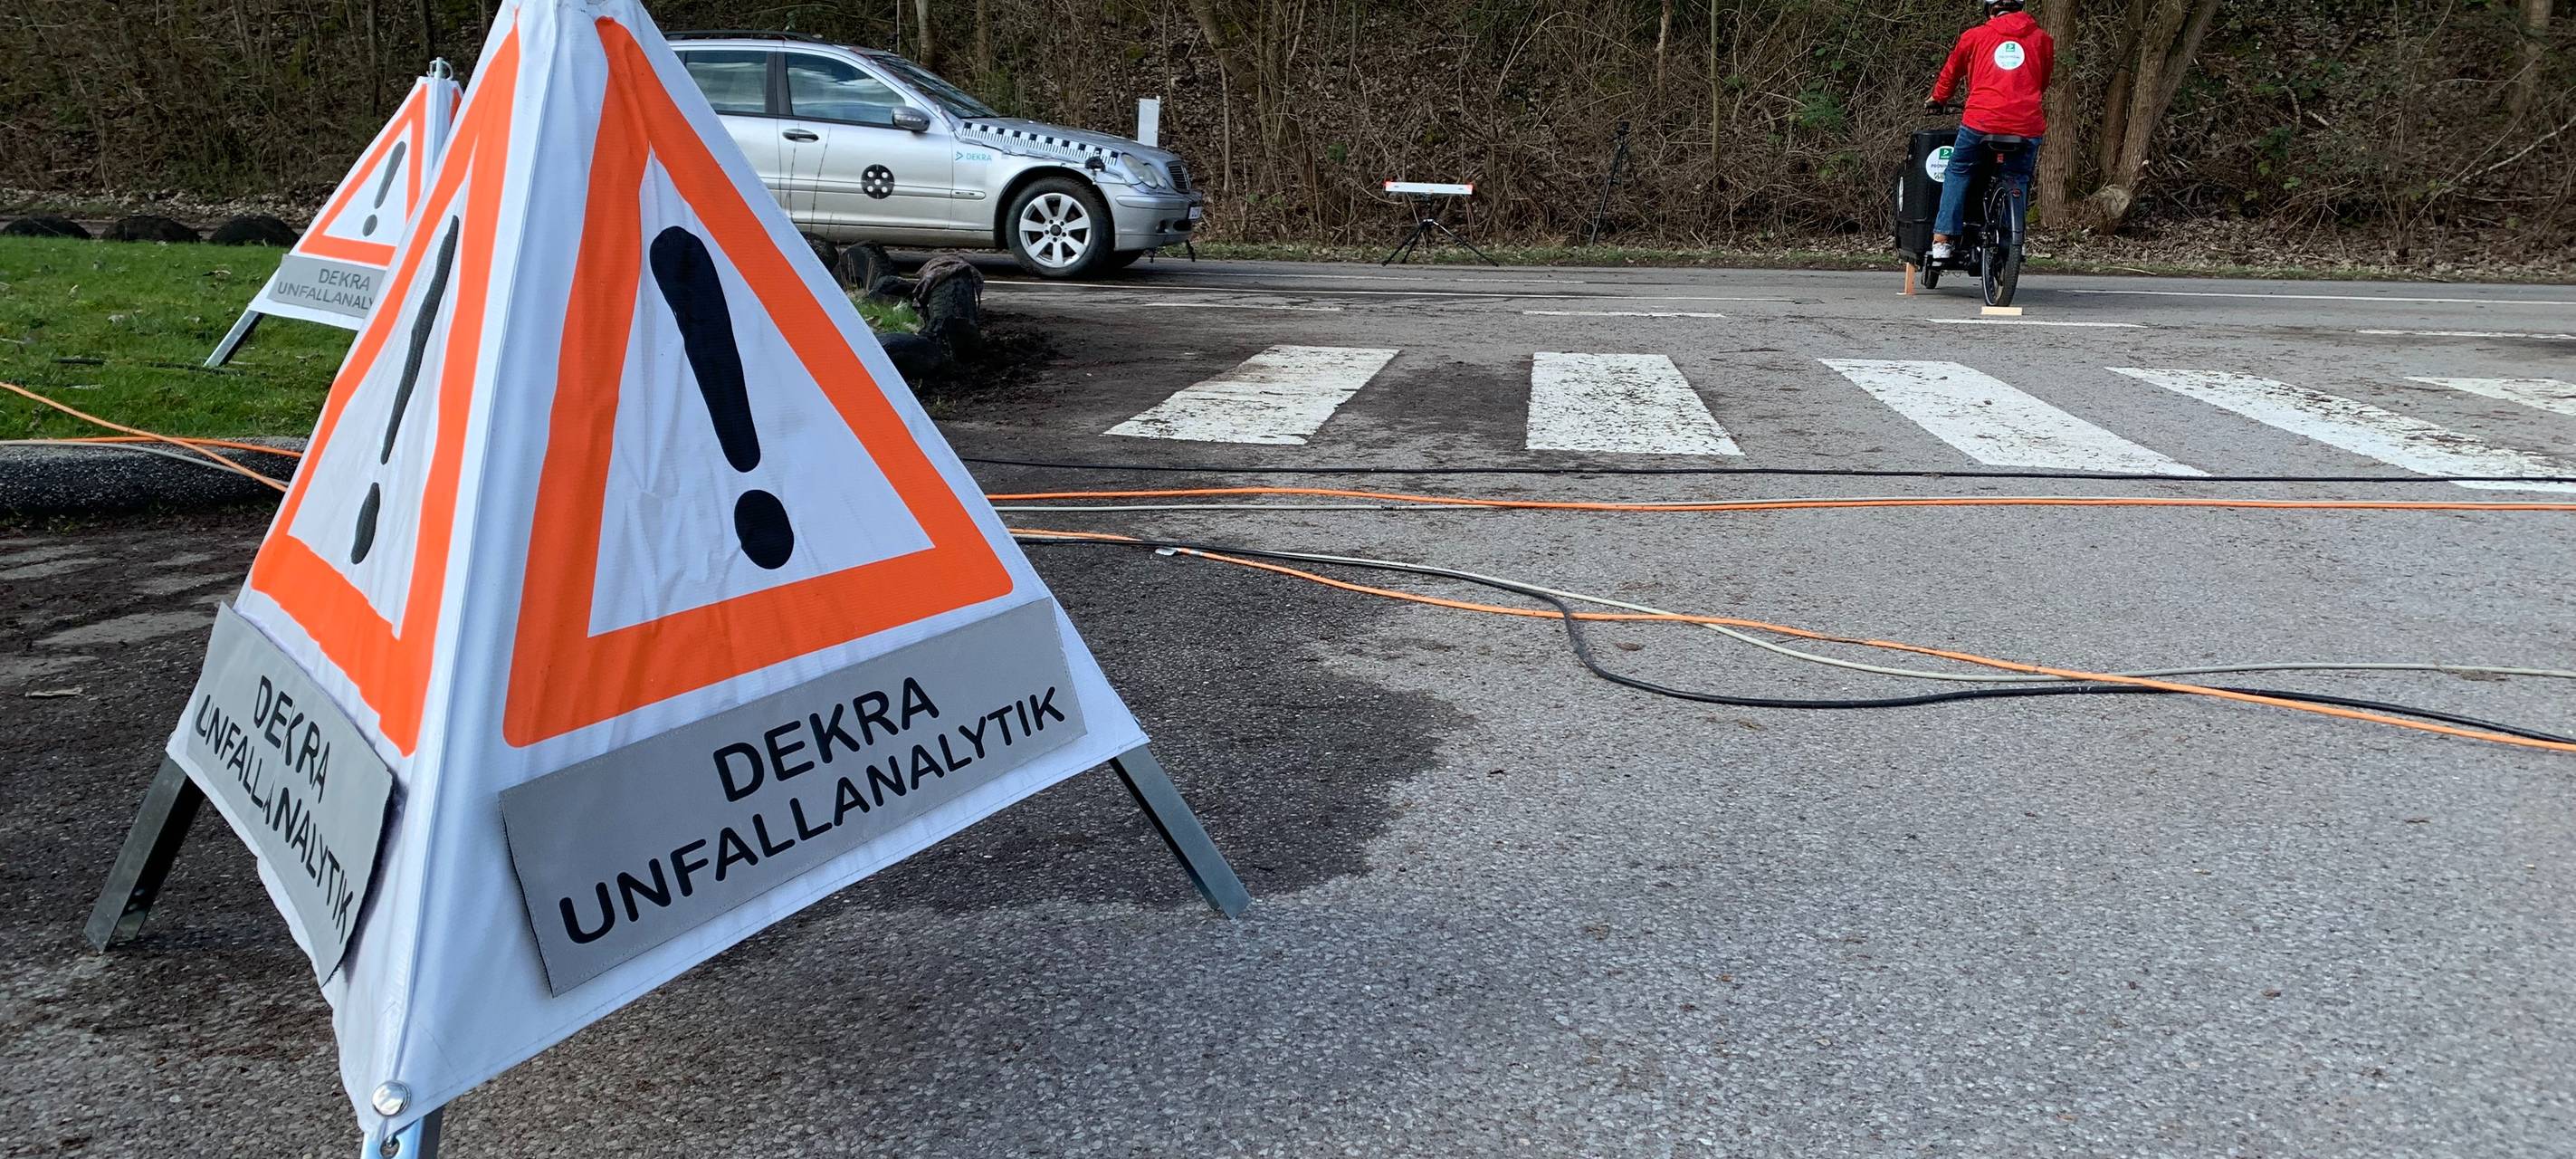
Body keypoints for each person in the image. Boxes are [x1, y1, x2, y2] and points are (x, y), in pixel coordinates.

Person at [1924, 0, 2054, 261]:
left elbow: (1952, 72)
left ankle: (1943, 239)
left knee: (1959, 169)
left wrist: (1937, 99)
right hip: (2026, 124)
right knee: (2018, 177)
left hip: (1981, 121)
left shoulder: (1975, 36)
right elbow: (2043, 80)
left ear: (1990, 9)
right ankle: (2014, 240)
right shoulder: (2042, 39)